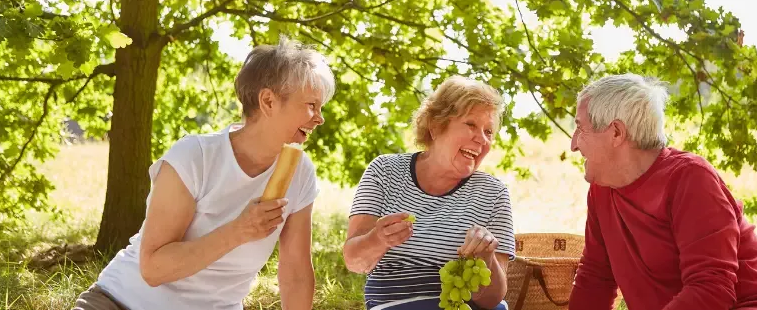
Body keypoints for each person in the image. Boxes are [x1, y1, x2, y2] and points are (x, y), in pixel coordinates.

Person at [72, 36, 336, 310]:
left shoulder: (301, 173)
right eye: (311, 105)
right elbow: (153, 268)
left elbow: (295, 274)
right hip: (122, 302)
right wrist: (239, 230)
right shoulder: (194, 156)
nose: (319, 117)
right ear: (268, 101)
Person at [566, 74, 757, 310]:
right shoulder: (603, 189)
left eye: (580, 128)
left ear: (616, 132)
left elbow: (711, 292)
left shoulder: (690, 178)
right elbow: (596, 278)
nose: (573, 144)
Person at [343, 76, 516, 310]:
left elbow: (492, 299)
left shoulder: (493, 193)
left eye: (489, 132)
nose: (482, 139)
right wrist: (379, 239)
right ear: (435, 126)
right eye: (471, 125)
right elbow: (354, 261)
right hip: (397, 304)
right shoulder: (384, 171)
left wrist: (486, 259)